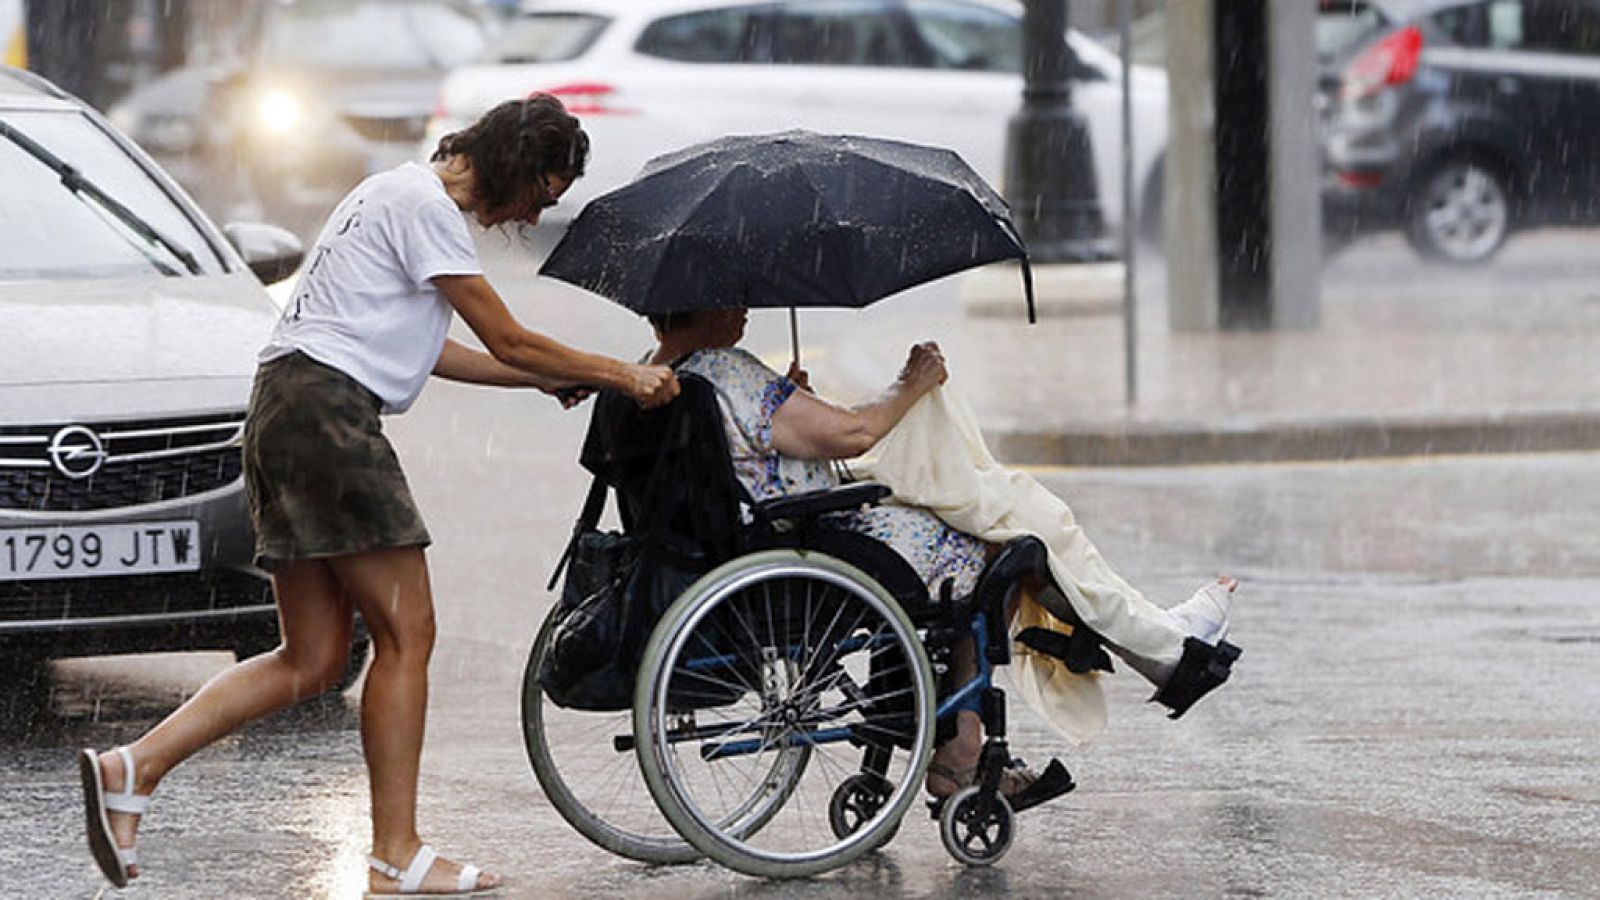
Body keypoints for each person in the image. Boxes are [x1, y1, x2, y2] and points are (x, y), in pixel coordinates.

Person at [78, 95, 678, 897]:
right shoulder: (424, 206)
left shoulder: (388, 194)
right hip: (328, 417)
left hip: (286, 410)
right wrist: (618, 370)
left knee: (313, 657)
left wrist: (550, 379)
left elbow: (441, 353)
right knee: (409, 634)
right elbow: (507, 336)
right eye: (541, 194)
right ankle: (397, 852)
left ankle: (132, 766)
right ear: (511, 168)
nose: (536, 213)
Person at [648, 308, 1237, 801]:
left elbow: (778, 446)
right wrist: (913, 382)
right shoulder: (724, 370)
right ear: (704, 301)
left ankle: (1154, 643)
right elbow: (853, 435)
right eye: (736, 295)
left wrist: (796, 401)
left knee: (998, 507)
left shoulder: (656, 378)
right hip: (807, 546)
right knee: (1004, 539)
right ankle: (964, 750)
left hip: (770, 542)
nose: (747, 307)